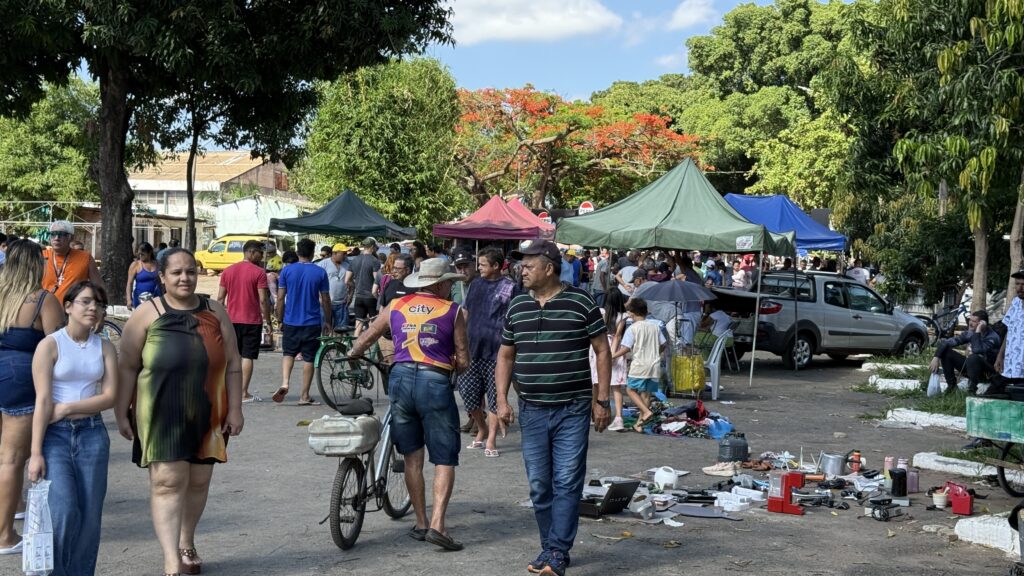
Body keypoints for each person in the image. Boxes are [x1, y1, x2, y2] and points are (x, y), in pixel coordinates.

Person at [115, 248, 244, 575]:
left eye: (190, 271)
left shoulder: (215, 310)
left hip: (208, 410)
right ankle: (172, 559)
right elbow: (127, 366)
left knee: (199, 481)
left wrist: (236, 409)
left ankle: (187, 541)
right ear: (162, 277)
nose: (184, 278)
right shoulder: (147, 313)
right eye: (176, 273)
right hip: (160, 411)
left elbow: (232, 365)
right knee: (168, 482)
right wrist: (121, 411)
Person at [496, 240, 611, 576]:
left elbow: (602, 351)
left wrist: (601, 400)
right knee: (539, 485)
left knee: (566, 481)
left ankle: (558, 550)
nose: (522, 271)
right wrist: (502, 400)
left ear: (549, 267)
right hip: (531, 408)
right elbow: (506, 354)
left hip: (572, 408)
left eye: (528, 265)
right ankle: (551, 547)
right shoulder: (517, 306)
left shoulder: (581, 301)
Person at [348, 258, 469, 551]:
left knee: (412, 456)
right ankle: (439, 525)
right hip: (435, 383)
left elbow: (367, 336)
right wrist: (453, 364)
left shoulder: (397, 306)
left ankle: (421, 521)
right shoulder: (453, 312)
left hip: (400, 381)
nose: (451, 287)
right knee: (444, 457)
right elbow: (464, 360)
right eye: (449, 283)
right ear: (439, 284)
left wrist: (353, 353)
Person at [28, 281, 117, 575]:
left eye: (100, 304)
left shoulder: (103, 347)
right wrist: (35, 452)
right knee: (63, 511)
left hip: (92, 434)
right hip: (55, 437)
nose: (94, 308)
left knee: (90, 516)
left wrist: (66, 408)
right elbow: (42, 401)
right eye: (86, 302)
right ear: (68, 306)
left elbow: (109, 397)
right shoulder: (50, 345)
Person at [0, 240, 63, 556]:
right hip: (22, 382)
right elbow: (58, 348)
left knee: (3, 457)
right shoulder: (43, 300)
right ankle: (4, 535)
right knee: (11, 460)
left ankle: (10, 516)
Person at [459, 248, 516, 458]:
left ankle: (490, 438)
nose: (479, 267)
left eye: (483, 264)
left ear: (496, 266)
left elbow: (514, 319)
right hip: (472, 350)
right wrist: (458, 338)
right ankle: (481, 427)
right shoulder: (475, 284)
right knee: (468, 395)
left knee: (494, 397)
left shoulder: (510, 288)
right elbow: (465, 311)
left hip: (497, 353)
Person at [272, 238, 331, 406]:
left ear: (297, 253)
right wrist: (328, 320)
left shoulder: (287, 271)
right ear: (313, 253)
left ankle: (285, 382)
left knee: (288, 353)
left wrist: (280, 318)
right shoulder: (320, 272)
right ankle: (304, 395)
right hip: (312, 322)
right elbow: (326, 299)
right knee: (309, 358)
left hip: (290, 320)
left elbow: (281, 297)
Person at [218, 240, 273, 403]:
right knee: (247, 356)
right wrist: (268, 321)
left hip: (231, 321)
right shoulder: (259, 272)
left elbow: (220, 298)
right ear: (251, 252)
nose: (262, 256)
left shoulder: (227, 271)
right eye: (260, 253)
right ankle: (243, 393)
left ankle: (227, 392)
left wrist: (219, 319)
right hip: (252, 321)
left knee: (231, 357)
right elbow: (263, 300)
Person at [612, 298, 666, 433]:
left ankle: (646, 412)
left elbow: (626, 348)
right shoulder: (655, 327)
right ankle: (640, 424)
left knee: (630, 390)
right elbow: (663, 344)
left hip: (640, 364)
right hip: (654, 364)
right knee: (646, 394)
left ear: (631, 313)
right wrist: (656, 353)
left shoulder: (633, 328)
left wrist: (612, 356)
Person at [929, 310, 1001, 394]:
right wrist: (936, 357)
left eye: (974, 321)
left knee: (973, 357)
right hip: (973, 368)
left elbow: (977, 350)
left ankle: (972, 390)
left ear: (983, 323)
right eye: (970, 320)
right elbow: (947, 342)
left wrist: (977, 331)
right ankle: (951, 387)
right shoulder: (971, 333)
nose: (970, 323)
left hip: (988, 373)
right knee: (946, 352)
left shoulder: (992, 337)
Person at [591, 288, 628, 431]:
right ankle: (619, 418)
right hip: (615, 348)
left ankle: (594, 413)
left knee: (596, 382)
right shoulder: (622, 316)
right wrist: (612, 354)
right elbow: (618, 335)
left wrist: (606, 354)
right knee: (616, 386)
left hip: (599, 347)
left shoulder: (601, 313)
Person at [42, 220, 104, 303]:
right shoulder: (41, 256)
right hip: (45, 309)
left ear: (71, 237)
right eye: (53, 234)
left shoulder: (85, 258)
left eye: (61, 234)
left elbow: (98, 286)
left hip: (74, 311)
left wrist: (101, 306)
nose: (56, 238)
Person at [345, 238, 382, 335]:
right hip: (371, 297)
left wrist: (355, 284)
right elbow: (376, 279)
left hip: (359, 297)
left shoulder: (354, 260)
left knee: (358, 324)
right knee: (374, 325)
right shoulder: (375, 261)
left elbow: (347, 280)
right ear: (373, 247)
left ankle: (355, 348)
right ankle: (375, 348)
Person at [996, 270, 1024, 381]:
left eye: (1023, 285)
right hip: (1011, 366)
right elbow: (1010, 330)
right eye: (1017, 284)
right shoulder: (1015, 302)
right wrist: (1000, 355)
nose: (1020, 288)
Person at [317, 243, 351, 332]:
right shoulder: (322, 264)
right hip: (324, 304)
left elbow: (352, 283)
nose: (345, 255)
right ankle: (326, 346)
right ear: (334, 253)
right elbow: (316, 283)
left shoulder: (347, 265)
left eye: (345, 253)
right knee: (325, 330)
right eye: (343, 253)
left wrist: (350, 296)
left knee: (341, 331)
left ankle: (338, 346)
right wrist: (319, 297)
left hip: (342, 304)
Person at [126, 242, 162, 309]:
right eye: (139, 254)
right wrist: (129, 300)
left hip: (156, 298)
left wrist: (164, 296)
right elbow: (129, 283)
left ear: (150, 252)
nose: (140, 256)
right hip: (140, 299)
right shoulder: (135, 265)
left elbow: (161, 282)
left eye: (142, 254)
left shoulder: (157, 264)